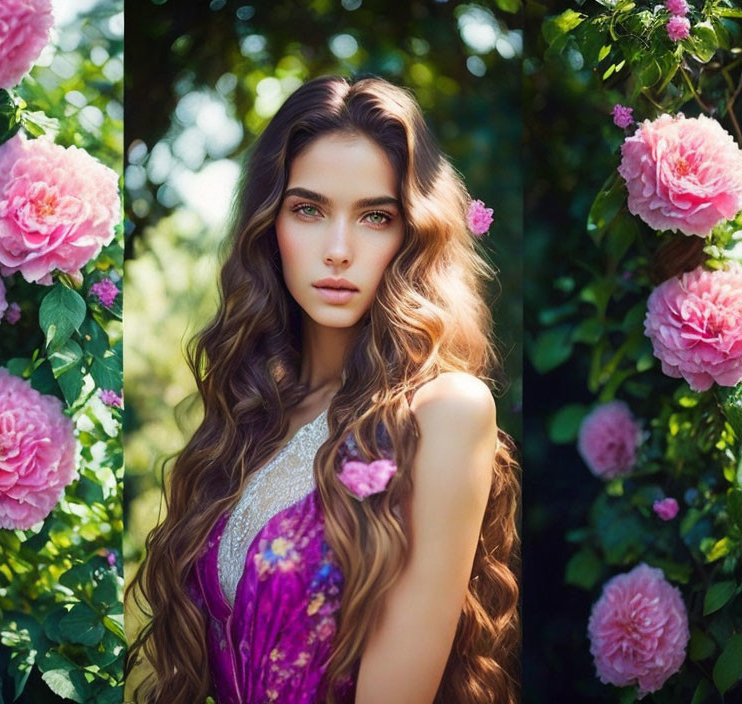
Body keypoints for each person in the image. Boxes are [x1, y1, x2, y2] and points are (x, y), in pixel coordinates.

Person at [125, 74, 520, 704]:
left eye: (375, 217)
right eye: (308, 209)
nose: (338, 250)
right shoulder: (252, 422)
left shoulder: (444, 411)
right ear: (269, 225)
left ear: (411, 235)